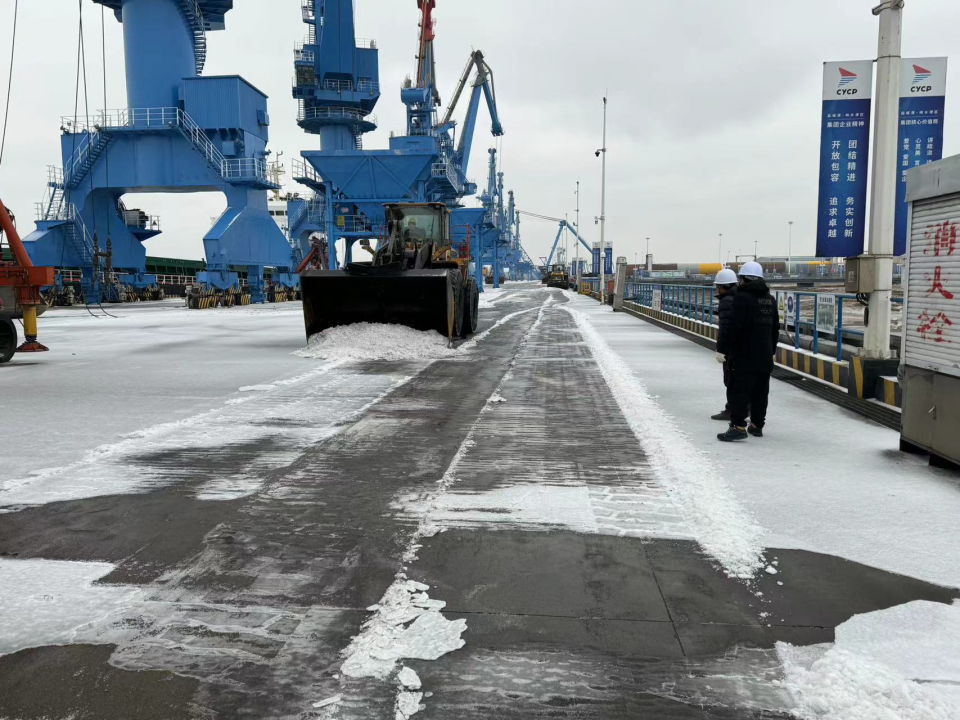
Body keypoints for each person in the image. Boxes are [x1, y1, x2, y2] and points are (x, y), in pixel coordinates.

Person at [717, 262, 780, 442]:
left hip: (743, 355)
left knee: (738, 391)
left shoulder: (741, 298)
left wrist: (723, 350)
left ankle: (738, 426)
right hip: (765, 355)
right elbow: (775, 328)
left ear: (743, 279)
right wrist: (772, 350)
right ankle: (757, 425)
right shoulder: (770, 300)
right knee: (761, 392)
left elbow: (733, 328)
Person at [711, 268, 739, 422]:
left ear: (723, 287)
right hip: (743, 346)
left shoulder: (726, 302)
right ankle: (742, 408)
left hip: (731, 348)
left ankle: (732, 409)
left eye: (718, 286)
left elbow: (725, 328)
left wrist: (721, 350)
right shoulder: (740, 298)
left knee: (730, 379)